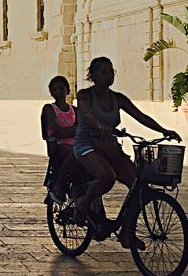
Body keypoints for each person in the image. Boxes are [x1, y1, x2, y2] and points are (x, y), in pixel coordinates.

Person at [73, 56, 180, 240]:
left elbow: (140, 116)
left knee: (138, 184)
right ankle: (84, 202)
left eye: (111, 71)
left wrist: (164, 130)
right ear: (93, 75)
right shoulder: (84, 95)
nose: (109, 76)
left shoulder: (118, 99)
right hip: (87, 145)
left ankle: (126, 232)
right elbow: (85, 112)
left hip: (109, 146)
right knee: (107, 177)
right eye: (104, 72)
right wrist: (98, 123)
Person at [41, 75, 77, 204]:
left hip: (75, 144)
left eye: (61, 89)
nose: (58, 92)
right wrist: (74, 130)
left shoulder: (74, 110)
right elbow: (56, 131)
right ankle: (59, 186)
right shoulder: (49, 109)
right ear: (50, 91)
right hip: (58, 146)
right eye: (55, 89)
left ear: (68, 90)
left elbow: (82, 128)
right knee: (75, 153)